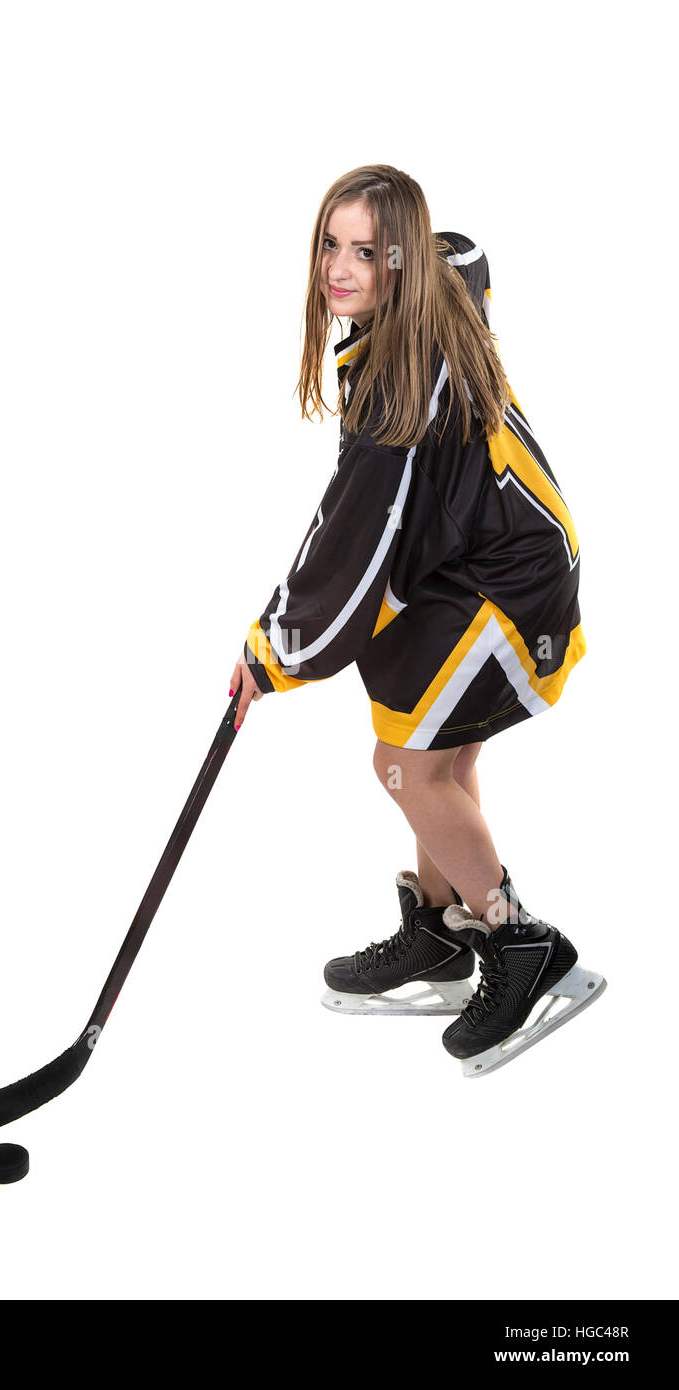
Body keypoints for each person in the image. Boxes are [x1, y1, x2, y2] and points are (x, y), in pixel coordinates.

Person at [227, 164, 605, 1077]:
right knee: (437, 750)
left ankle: (522, 947)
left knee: (405, 767)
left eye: (367, 251)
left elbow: (353, 547)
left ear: (401, 263)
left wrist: (270, 652)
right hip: (487, 553)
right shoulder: (435, 292)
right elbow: (462, 250)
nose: (340, 268)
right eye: (331, 243)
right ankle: (441, 933)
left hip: (510, 581)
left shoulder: (398, 386)